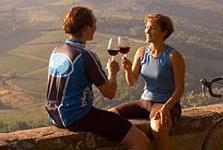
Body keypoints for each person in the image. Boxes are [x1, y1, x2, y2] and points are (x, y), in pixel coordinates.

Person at [45, 6, 150, 150]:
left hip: (54, 116)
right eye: (94, 23)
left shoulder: (57, 50)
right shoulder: (85, 55)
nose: (96, 27)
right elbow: (110, 93)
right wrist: (112, 72)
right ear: (86, 27)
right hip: (76, 116)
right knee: (141, 142)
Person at [109, 13, 185, 150]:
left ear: (164, 32)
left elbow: (179, 89)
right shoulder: (141, 52)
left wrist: (166, 107)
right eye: (146, 27)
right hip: (144, 102)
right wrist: (127, 70)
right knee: (110, 115)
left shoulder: (173, 56)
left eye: (153, 28)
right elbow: (132, 81)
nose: (147, 31)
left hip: (166, 104)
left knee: (159, 129)